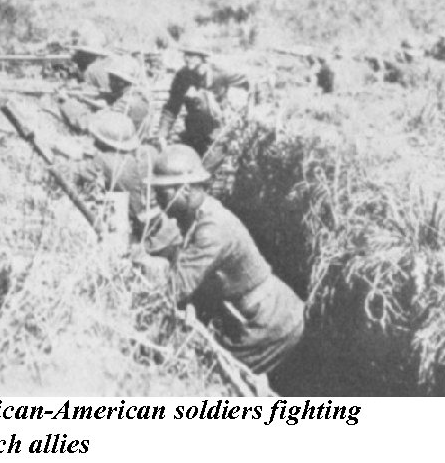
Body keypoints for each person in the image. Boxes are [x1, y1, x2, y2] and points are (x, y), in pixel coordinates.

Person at [144, 144, 304, 374]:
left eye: (163, 192)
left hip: (269, 323)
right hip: (254, 314)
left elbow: (177, 286)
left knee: (211, 378)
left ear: (185, 190)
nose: (158, 199)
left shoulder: (212, 229)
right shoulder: (195, 217)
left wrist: (140, 315)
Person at [62, 111, 180, 252]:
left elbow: (70, 172)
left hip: (141, 234)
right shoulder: (150, 152)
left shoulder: (103, 162)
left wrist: (64, 150)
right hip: (164, 225)